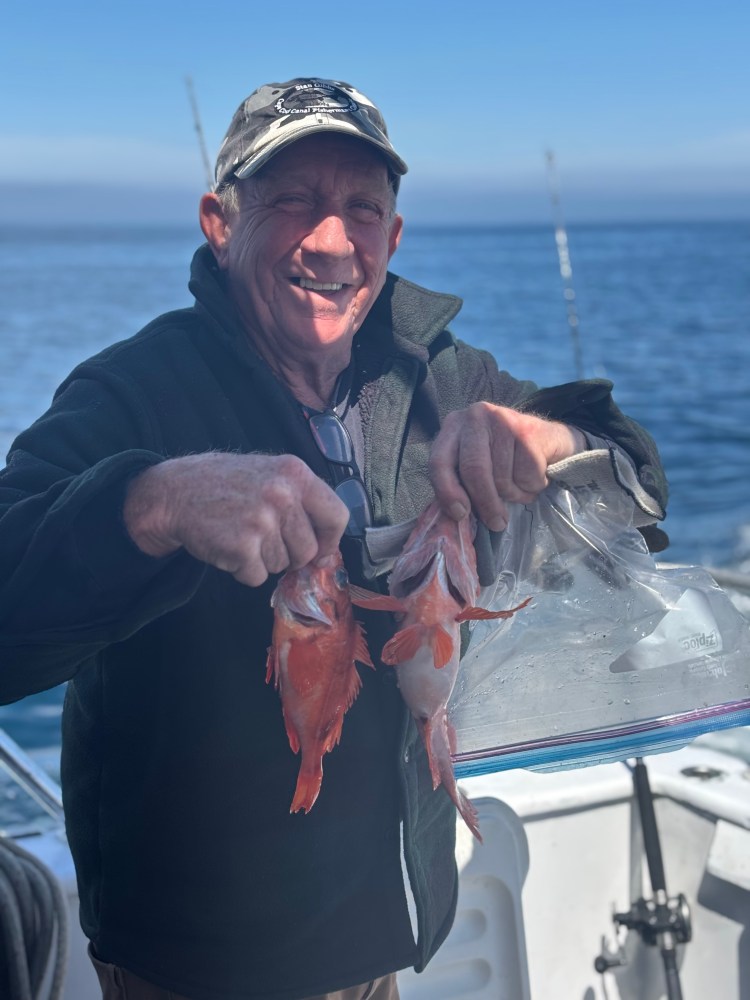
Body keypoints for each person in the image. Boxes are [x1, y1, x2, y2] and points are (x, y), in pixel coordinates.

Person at [0, 78, 668, 1000]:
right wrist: (150, 504)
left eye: (362, 208)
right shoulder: (127, 393)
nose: (330, 239)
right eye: (291, 201)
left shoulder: (448, 378)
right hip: (196, 953)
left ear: (393, 239)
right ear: (219, 221)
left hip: (380, 928)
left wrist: (554, 441)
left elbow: (638, 483)